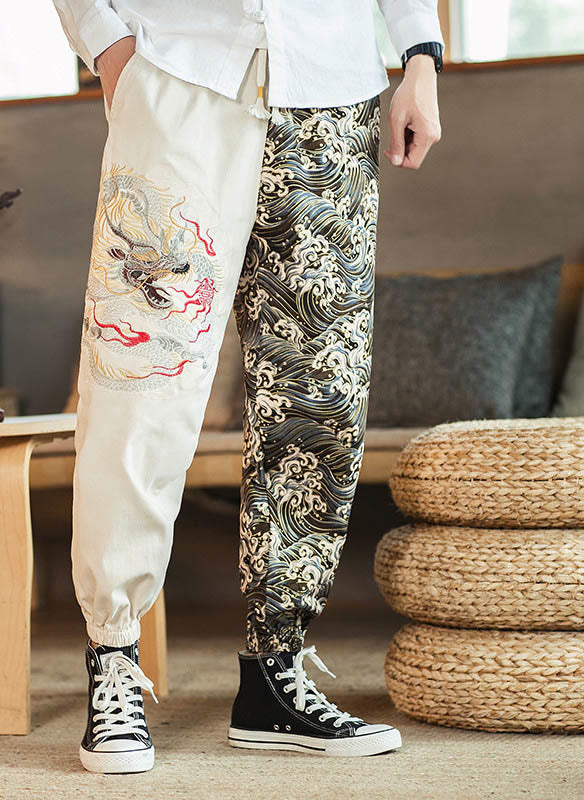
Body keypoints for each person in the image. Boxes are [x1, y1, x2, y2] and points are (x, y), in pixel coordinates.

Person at [52, 0, 443, 774]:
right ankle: (114, 653)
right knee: (142, 382)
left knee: (317, 393)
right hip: (179, 78)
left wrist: (420, 55)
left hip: (332, 97)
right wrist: (107, 45)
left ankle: (274, 672)